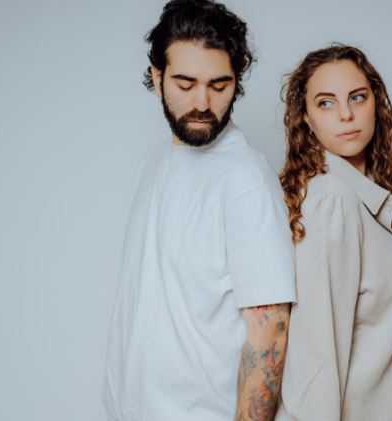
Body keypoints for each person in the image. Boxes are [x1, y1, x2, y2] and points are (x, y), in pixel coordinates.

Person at [103, 1, 296, 420]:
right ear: (158, 77)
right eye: (186, 84)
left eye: (219, 85)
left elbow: (269, 337)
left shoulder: (245, 180)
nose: (203, 103)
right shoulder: (152, 163)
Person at [276, 45, 392, 421]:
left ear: (376, 103)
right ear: (306, 118)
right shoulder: (332, 202)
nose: (346, 114)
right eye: (326, 103)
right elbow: (316, 364)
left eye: (357, 97)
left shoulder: (375, 195)